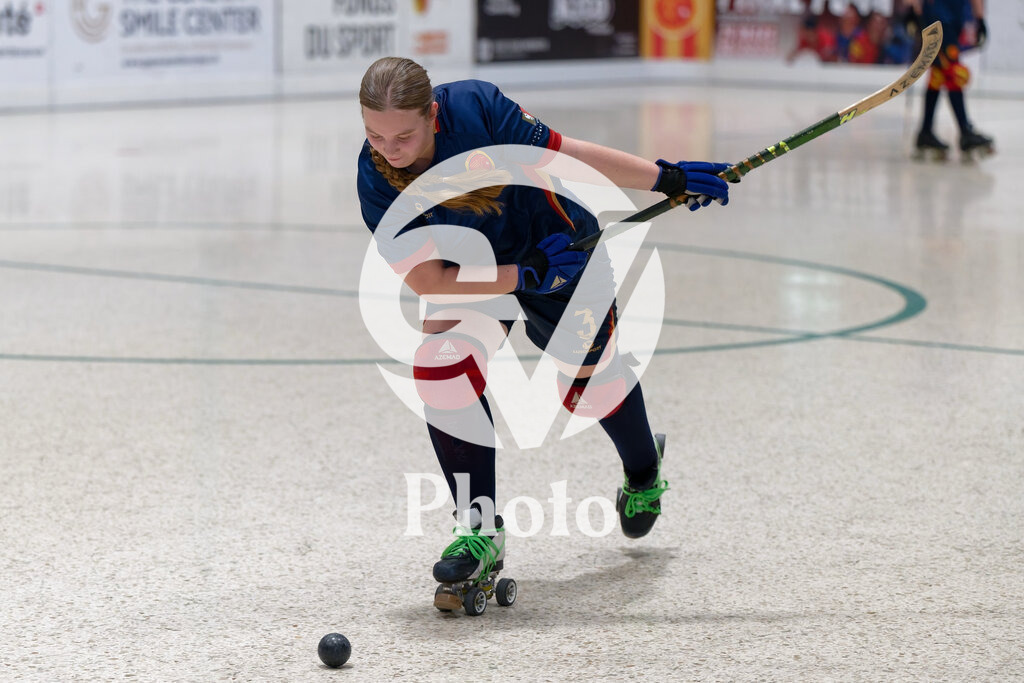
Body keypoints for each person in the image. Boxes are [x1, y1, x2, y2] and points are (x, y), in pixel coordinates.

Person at [356, 56, 734, 610]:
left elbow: (567, 155)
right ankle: (479, 529)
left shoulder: (478, 109)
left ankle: (643, 471)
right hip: (480, 275)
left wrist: (666, 178)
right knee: (440, 366)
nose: (389, 150)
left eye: (404, 136)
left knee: (587, 390)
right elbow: (429, 280)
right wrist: (523, 274)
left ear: (433, 114)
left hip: (561, 248)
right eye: (374, 135)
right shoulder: (375, 178)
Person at [906, 0, 993, 157]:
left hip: (954, 15)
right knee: (953, 71)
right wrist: (912, 8)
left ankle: (926, 132)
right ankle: (964, 131)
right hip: (938, 15)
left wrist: (980, 18)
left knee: (939, 74)